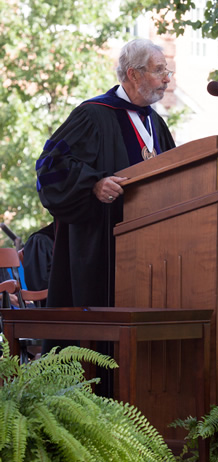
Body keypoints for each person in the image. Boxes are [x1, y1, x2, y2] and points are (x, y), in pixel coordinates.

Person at [35, 39, 176, 391]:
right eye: (160, 71)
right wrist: (93, 185)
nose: (167, 78)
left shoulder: (154, 124)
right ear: (133, 73)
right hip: (99, 249)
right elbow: (50, 167)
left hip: (150, 254)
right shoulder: (92, 114)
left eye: (166, 71)